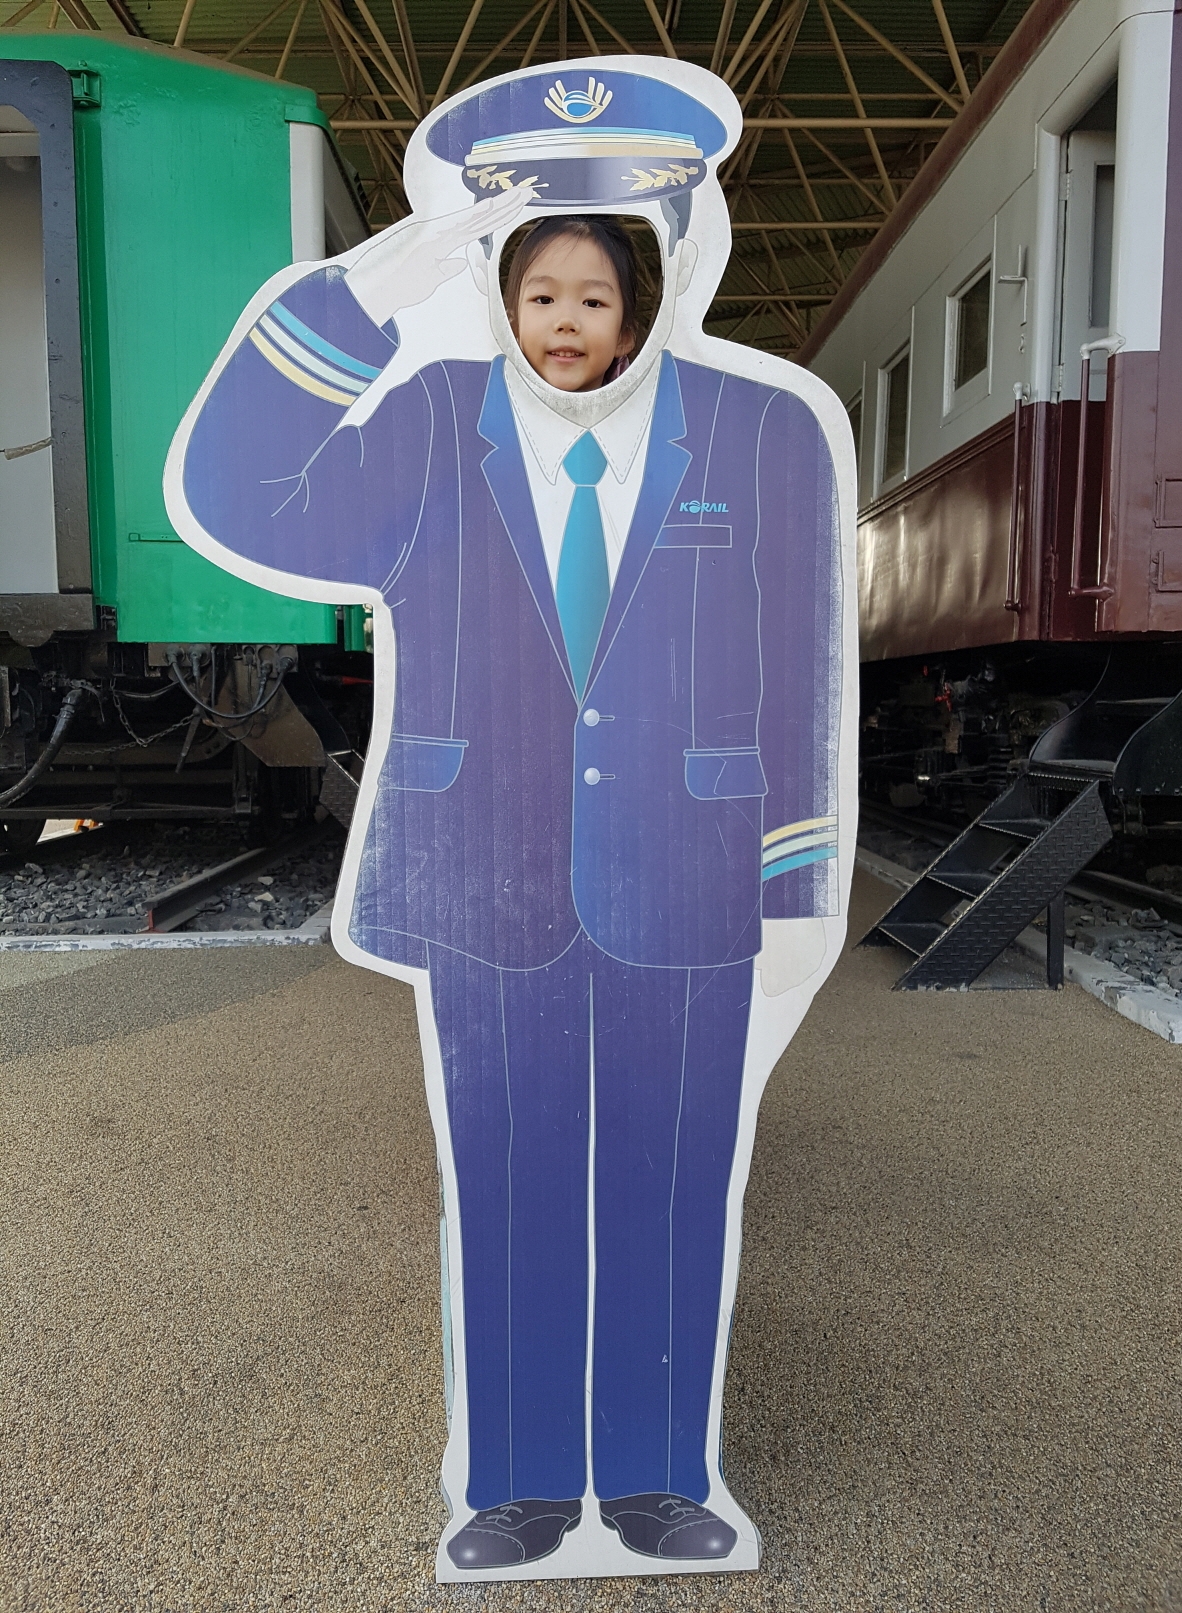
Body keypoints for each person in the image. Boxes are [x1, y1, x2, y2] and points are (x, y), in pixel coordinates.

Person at [166, 57, 852, 1581]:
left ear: (649, 293)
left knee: (671, 1176)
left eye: (595, 292)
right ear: (497, 290)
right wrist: (378, 281)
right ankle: (523, 1489)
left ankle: (660, 1479)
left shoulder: (765, 431)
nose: (564, 319)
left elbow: (804, 661)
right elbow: (242, 487)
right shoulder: (426, 423)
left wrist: (796, 885)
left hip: (689, 869)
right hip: (484, 865)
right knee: (512, 1179)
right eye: (537, 288)